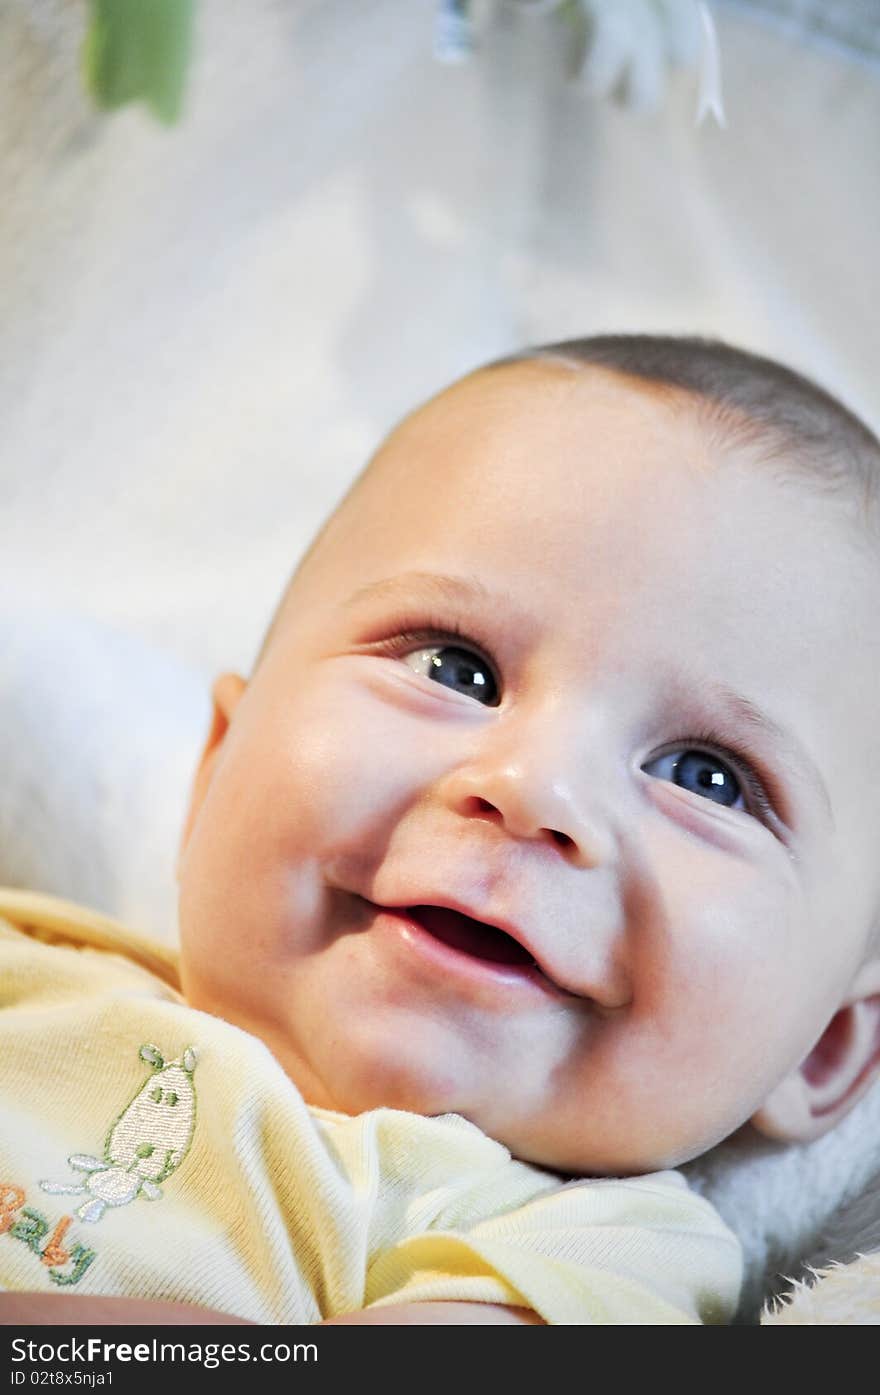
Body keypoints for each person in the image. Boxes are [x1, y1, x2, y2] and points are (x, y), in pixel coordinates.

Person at [2, 334, 878, 1325]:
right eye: (455, 668)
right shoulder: (31, 967)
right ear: (215, 770)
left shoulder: (589, 1260)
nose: (533, 789)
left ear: (824, 1050)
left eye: (706, 777)